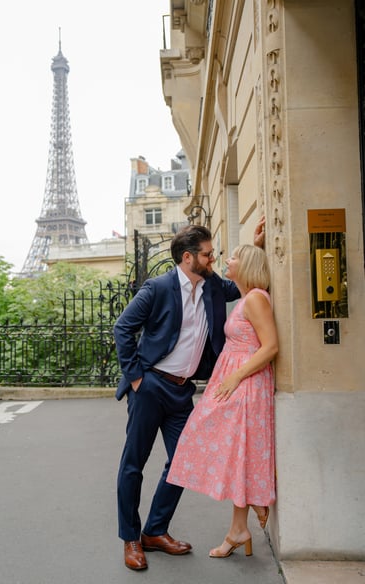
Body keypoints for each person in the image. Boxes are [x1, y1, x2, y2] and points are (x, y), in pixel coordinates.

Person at [114, 219, 265, 571]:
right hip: (151, 387)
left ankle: (155, 530)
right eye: (208, 255)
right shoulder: (158, 288)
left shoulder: (212, 286)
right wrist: (137, 379)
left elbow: (245, 282)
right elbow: (123, 328)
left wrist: (257, 247)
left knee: (183, 464)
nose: (213, 260)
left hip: (183, 392)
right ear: (188, 258)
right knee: (133, 464)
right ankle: (131, 538)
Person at [166, 244, 278, 559]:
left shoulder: (255, 299)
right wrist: (257, 243)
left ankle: (249, 509)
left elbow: (270, 347)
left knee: (225, 442)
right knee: (235, 449)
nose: (227, 260)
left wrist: (235, 377)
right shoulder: (247, 297)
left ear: (246, 267)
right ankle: (239, 527)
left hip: (245, 382)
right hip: (235, 381)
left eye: (234, 257)